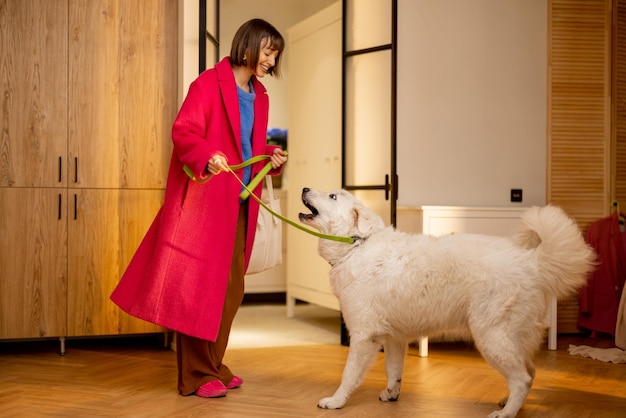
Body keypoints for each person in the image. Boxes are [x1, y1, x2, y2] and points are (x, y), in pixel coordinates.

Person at [110, 18, 287, 399]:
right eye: (268, 52)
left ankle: (213, 364)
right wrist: (208, 156)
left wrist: (270, 156)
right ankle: (195, 373)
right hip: (206, 203)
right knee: (199, 289)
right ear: (249, 44)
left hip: (240, 202)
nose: (271, 61)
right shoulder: (208, 84)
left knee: (231, 289)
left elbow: (247, 150)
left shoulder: (261, 96)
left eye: (275, 55)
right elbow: (184, 131)